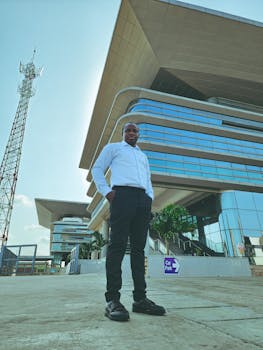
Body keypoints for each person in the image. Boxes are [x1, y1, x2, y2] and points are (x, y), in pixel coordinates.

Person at [92, 122, 166, 321]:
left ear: (138, 135)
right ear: (123, 133)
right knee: (117, 246)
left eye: (135, 131)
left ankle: (140, 299)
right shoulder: (113, 148)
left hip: (143, 200)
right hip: (121, 196)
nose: (131, 133)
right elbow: (97, 169)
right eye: (128, 130)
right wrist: (107, 192)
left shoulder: (142, 156)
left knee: (138, 250)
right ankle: (113, 300)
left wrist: (149, 198)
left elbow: (148, 179)